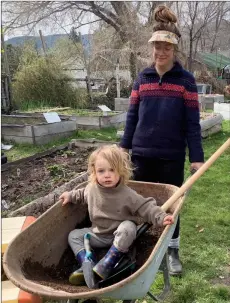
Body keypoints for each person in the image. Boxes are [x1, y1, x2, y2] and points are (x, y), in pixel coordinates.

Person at [120, 5, 204, 276]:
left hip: (171, 156)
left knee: (171, 204)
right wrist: (123, 150)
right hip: (141, 154)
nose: (161, 52)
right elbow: (132, 117)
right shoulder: (142, 79)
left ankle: (172, 251)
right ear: (152, 48)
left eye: (166, 48)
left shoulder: (186, 82)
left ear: (174, 50)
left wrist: (197, 158)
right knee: (141, 204)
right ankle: (144, 250)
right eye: (157, 46)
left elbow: (192, 124)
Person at [60, 144, 174, 286]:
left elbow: (146, 207)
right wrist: (70, 196)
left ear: (121, 171)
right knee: (74, 235)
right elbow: (81, 194)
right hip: (98, 235)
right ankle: (86, 262)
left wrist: (161, 217)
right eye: (101, 171)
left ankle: (109, 262)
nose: (107, 175)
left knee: (128, 227)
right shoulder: (91, 189)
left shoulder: (127, 194)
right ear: (94, 172)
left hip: (119, 236)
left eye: (112, 170)